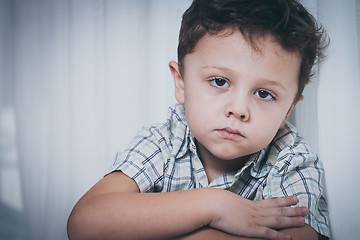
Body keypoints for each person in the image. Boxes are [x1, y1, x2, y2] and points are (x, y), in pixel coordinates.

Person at [67, 0, 330, 239]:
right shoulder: (165, 141)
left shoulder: (290, 158)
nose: (238, 109)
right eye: (219, 81)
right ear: (181, 83)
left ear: (287, 111)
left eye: (264, 93)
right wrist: (213, 206)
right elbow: (84, 223)